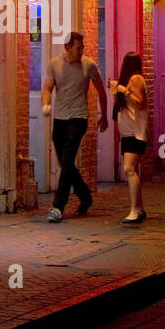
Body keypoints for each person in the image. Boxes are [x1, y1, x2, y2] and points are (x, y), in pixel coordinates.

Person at [42, 31, 109, 221]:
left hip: (79, 117)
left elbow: (101, 90)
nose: (81, 51)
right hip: (60, 118)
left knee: (67, 158)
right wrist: (46, 104)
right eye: (78, 47)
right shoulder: (54, 64)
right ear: (67, 47)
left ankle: (58, 207)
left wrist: (103, 115)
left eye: (83, 47)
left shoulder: (89, 65)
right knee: (66, 163)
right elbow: (47, 88)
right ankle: (85, 197)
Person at [113, 52, 149, 225]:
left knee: (129, 169)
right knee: (132, 169)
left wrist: (123, 90)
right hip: (129, 133)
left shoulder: (136, 79)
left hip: (135, 133)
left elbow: (139, 102)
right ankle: (139, 208)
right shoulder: (133, 79)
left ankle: (134, 210)